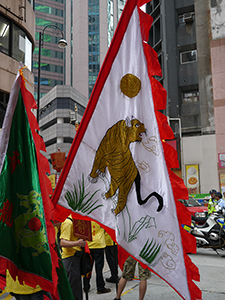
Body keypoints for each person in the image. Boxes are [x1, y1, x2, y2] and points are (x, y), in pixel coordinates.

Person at [60, 216, 86, 300]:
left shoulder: (76, 221)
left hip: (76, 258)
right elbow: (63, 242)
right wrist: (77, 243)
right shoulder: (68, 222)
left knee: (77, 288)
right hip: (70, 259)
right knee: (73, 289)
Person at [87, 221, 111, 294]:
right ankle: (100, 287)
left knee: (88, 267)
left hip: (89, 245)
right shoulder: (100, 218)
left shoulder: (86, 217)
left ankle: (86, 286)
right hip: (98, 244)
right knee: (99, 268)